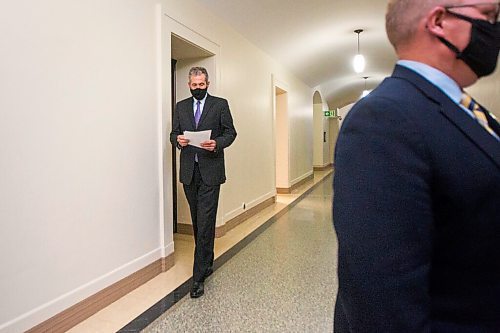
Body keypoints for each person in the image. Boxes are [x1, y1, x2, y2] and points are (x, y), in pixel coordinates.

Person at [333, 0, 500, 331]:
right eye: (489, 16)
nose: (494, 28)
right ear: (438, 20)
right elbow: (381, 301)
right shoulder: (382, 119)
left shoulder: (466, 108)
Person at [170, 67, 237, 298]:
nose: (197, 88)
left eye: (201, 85)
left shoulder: (220, 104)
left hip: (211, 171)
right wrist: (177, 140)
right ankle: (207, 262)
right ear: (189, 85)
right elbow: (174, 133)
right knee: (199, 222)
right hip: (190, 172)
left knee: (206, 221)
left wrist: (216, 143)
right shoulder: (181, 107)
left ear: (208, 83)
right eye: (193, 85)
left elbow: (231, 133)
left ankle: (197, 279)